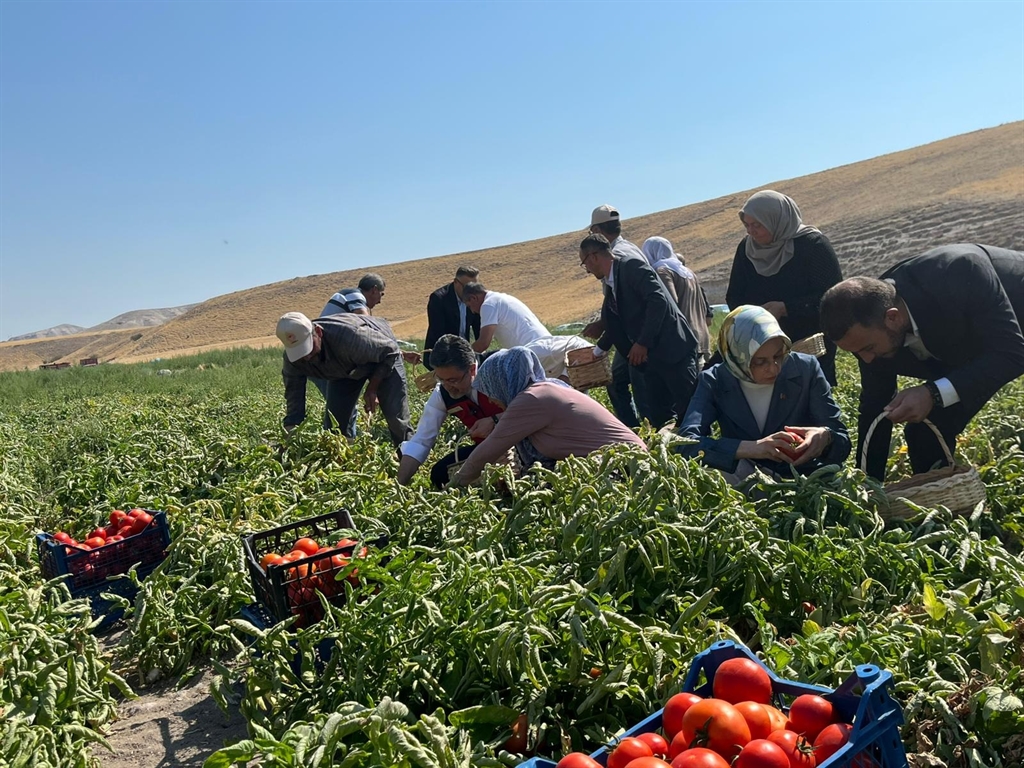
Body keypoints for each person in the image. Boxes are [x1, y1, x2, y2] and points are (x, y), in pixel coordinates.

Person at [820, 244, 1024, 481]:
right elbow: (876, 404)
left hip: (1013, 322)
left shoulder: (960, 272)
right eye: (857, 353)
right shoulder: (871, 326)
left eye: (867, 349)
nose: (866, 359)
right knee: (925, 430)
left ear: (893, 317)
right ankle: (941, 503)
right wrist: (867, 483)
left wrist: (932, 393)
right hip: (967, 344)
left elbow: (1011, 353)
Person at [677, 305, 851, 485]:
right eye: (760, 362)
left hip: (805, 476)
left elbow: (842, 440)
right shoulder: (715, 380)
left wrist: (825, 437)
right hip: (748, 477)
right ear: (738, 357)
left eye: (778, 355)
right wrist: (751, 448)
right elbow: (686, 443)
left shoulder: (805, 369)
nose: (774, 368)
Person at [450, 347, 646, 486]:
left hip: (626, 467)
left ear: (501, 381)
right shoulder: (546, 388)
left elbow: (489, 450)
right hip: (624, 462)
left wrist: (455, 485)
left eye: (489, 389)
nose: (491, 399)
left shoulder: (532, 399)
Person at [580, 233, 701, 429]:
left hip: (674, 351)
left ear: (593, 257)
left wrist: (642, 342)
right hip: (653, 359)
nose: (586, 269)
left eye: (585, 263)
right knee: (658, 415)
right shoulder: (613, 281)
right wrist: (598, 352)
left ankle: (708, 454)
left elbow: (658, 301)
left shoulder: (631, 267)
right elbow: (617, 322)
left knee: (690, 411)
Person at [725, 190, 843, 385]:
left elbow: (833, 299)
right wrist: (755, 315)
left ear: (776, 220)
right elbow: (735, 296)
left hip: (808, 343)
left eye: (757, 225)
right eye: (746, 225)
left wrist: (786, 308)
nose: (751, 231)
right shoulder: (746, 249)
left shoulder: (812, 245)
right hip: (762, 344)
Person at [276, 311, 413, 447]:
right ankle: (348, 460)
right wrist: (290, 433)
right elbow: (294, 396)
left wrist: (373, 388)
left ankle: (409, 457)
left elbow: (390, 352)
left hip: (383, 357)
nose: (306, 357)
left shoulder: (351, 337)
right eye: (300, 352)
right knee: (335, 427)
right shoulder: (293, 360)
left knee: (396, 419)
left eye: (308, 349)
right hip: (345, 368)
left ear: (318, 332)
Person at [397, 334, 504, 489]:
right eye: (440, 379)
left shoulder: (500, 370)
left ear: (472, 369)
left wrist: (496, 420)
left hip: (525, 443)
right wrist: (399, 486)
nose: (447, 386)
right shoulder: (443, 393)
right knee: (440, 474)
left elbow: (536, 408)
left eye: (453, 380)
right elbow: (421, 440)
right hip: (489, 449)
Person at [582, 204, 652, 428]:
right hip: (631, 329)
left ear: (597, 231)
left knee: (637, 384)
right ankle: (638, 430)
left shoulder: (617, 257)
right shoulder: (628, 248)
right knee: (618, 380)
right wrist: (604, 323)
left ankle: (643, 432)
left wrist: (606, 331)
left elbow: (637, 301)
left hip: (637, 332)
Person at [460, 282, 591, 379]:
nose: (473, 311)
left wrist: (460, 360)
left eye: (470, 306)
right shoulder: (503, 298)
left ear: (473, 298)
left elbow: (483, 343)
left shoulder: (488, 304)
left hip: (535, 353)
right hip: (548, 347)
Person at [642, 236, 712, 366]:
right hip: (700, 335)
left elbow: (669, 303)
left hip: (684, 339)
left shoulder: (662, 271)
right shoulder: (688, 272)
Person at [423, 266, 482, 370]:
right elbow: (439, 333)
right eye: (467, 287)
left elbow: (478, 327)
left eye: (474, 287)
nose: (470, 292)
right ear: (456, 282)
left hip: (463, 353)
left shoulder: (473, 298)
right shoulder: (439, 298)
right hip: (441, 355)